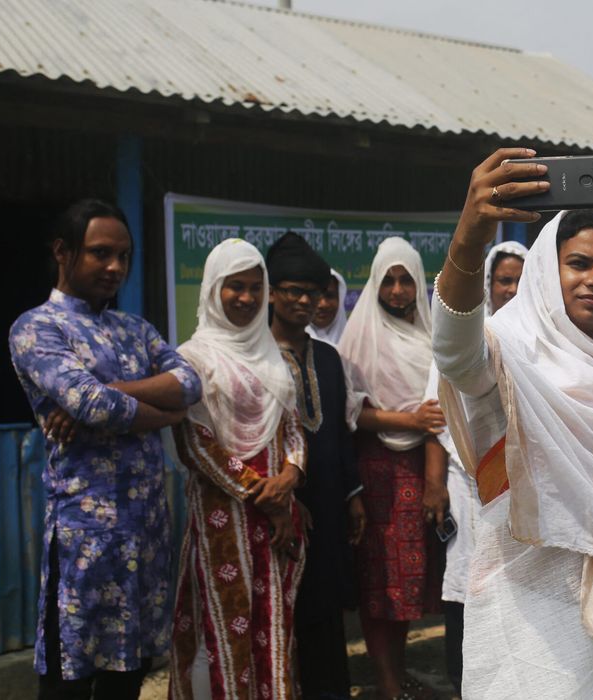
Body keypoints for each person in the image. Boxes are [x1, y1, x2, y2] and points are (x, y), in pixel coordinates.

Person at [432, 148, 593, 699]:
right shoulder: (509, 354)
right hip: (524, 619)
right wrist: (469, 236)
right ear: (546, 274)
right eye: (579, 263)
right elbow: (455, 354)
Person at [9, 199, 202, 700]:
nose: (115, 267)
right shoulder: (37, 328)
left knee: (128, 677)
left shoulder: (134, 329)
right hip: (83, 541)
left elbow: (190, 384)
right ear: (62, 252)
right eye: (99, 253)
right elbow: (95, 406)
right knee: (69, 677)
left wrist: (116, 388)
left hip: (146, 536)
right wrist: (165, 411)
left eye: (123, 255)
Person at [169, 238, 307, 700]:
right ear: (213, 290)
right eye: (235, 287)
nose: (247, 298)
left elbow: (292, 431)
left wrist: (289, 480)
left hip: (279, 517)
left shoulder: (277, 357)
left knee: (273, 627)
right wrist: (263, 496)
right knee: (222, 630)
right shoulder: (193, 358)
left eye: (255, 287)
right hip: (221, 515)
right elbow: (195, 443)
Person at [338, 236, 445, 700]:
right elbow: (351, 413)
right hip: (375, 471)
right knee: (378, 582)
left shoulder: (430, 338)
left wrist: (435, 483)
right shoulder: (358, 337)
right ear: (375, 283)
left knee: (407, 585)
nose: (398, 290)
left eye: (406, 280)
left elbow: (441, 415)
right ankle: (385, 682)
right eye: (388, 280)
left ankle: (395, 674)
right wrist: (408, 420)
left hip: (421, 471)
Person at [423, 239, 527, 699]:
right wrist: (434, 483)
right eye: (504, 280)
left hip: (524, 488)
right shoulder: (466, 339)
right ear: (488, 285)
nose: (512, 289)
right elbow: (438, 416)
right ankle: (465, 681)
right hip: (468, 484)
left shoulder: (539, 338)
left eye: (522, 280)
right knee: (468, 584)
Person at [266, 233, 366, 700]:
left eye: (315, 292)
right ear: (271, 291)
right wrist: (281, 502)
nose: (306, 301)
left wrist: (353, 495)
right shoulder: (256, 356)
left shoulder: (327, 357)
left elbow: (340, 433)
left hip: (327, 503)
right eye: (294, 291)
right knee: (277, 616)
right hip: (273, 507)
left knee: (325, 613)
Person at [307, 268, 348, 345]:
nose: (323, 304)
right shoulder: (291, 344)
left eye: (329, 296)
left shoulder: (355, 343)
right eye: (316, 295)